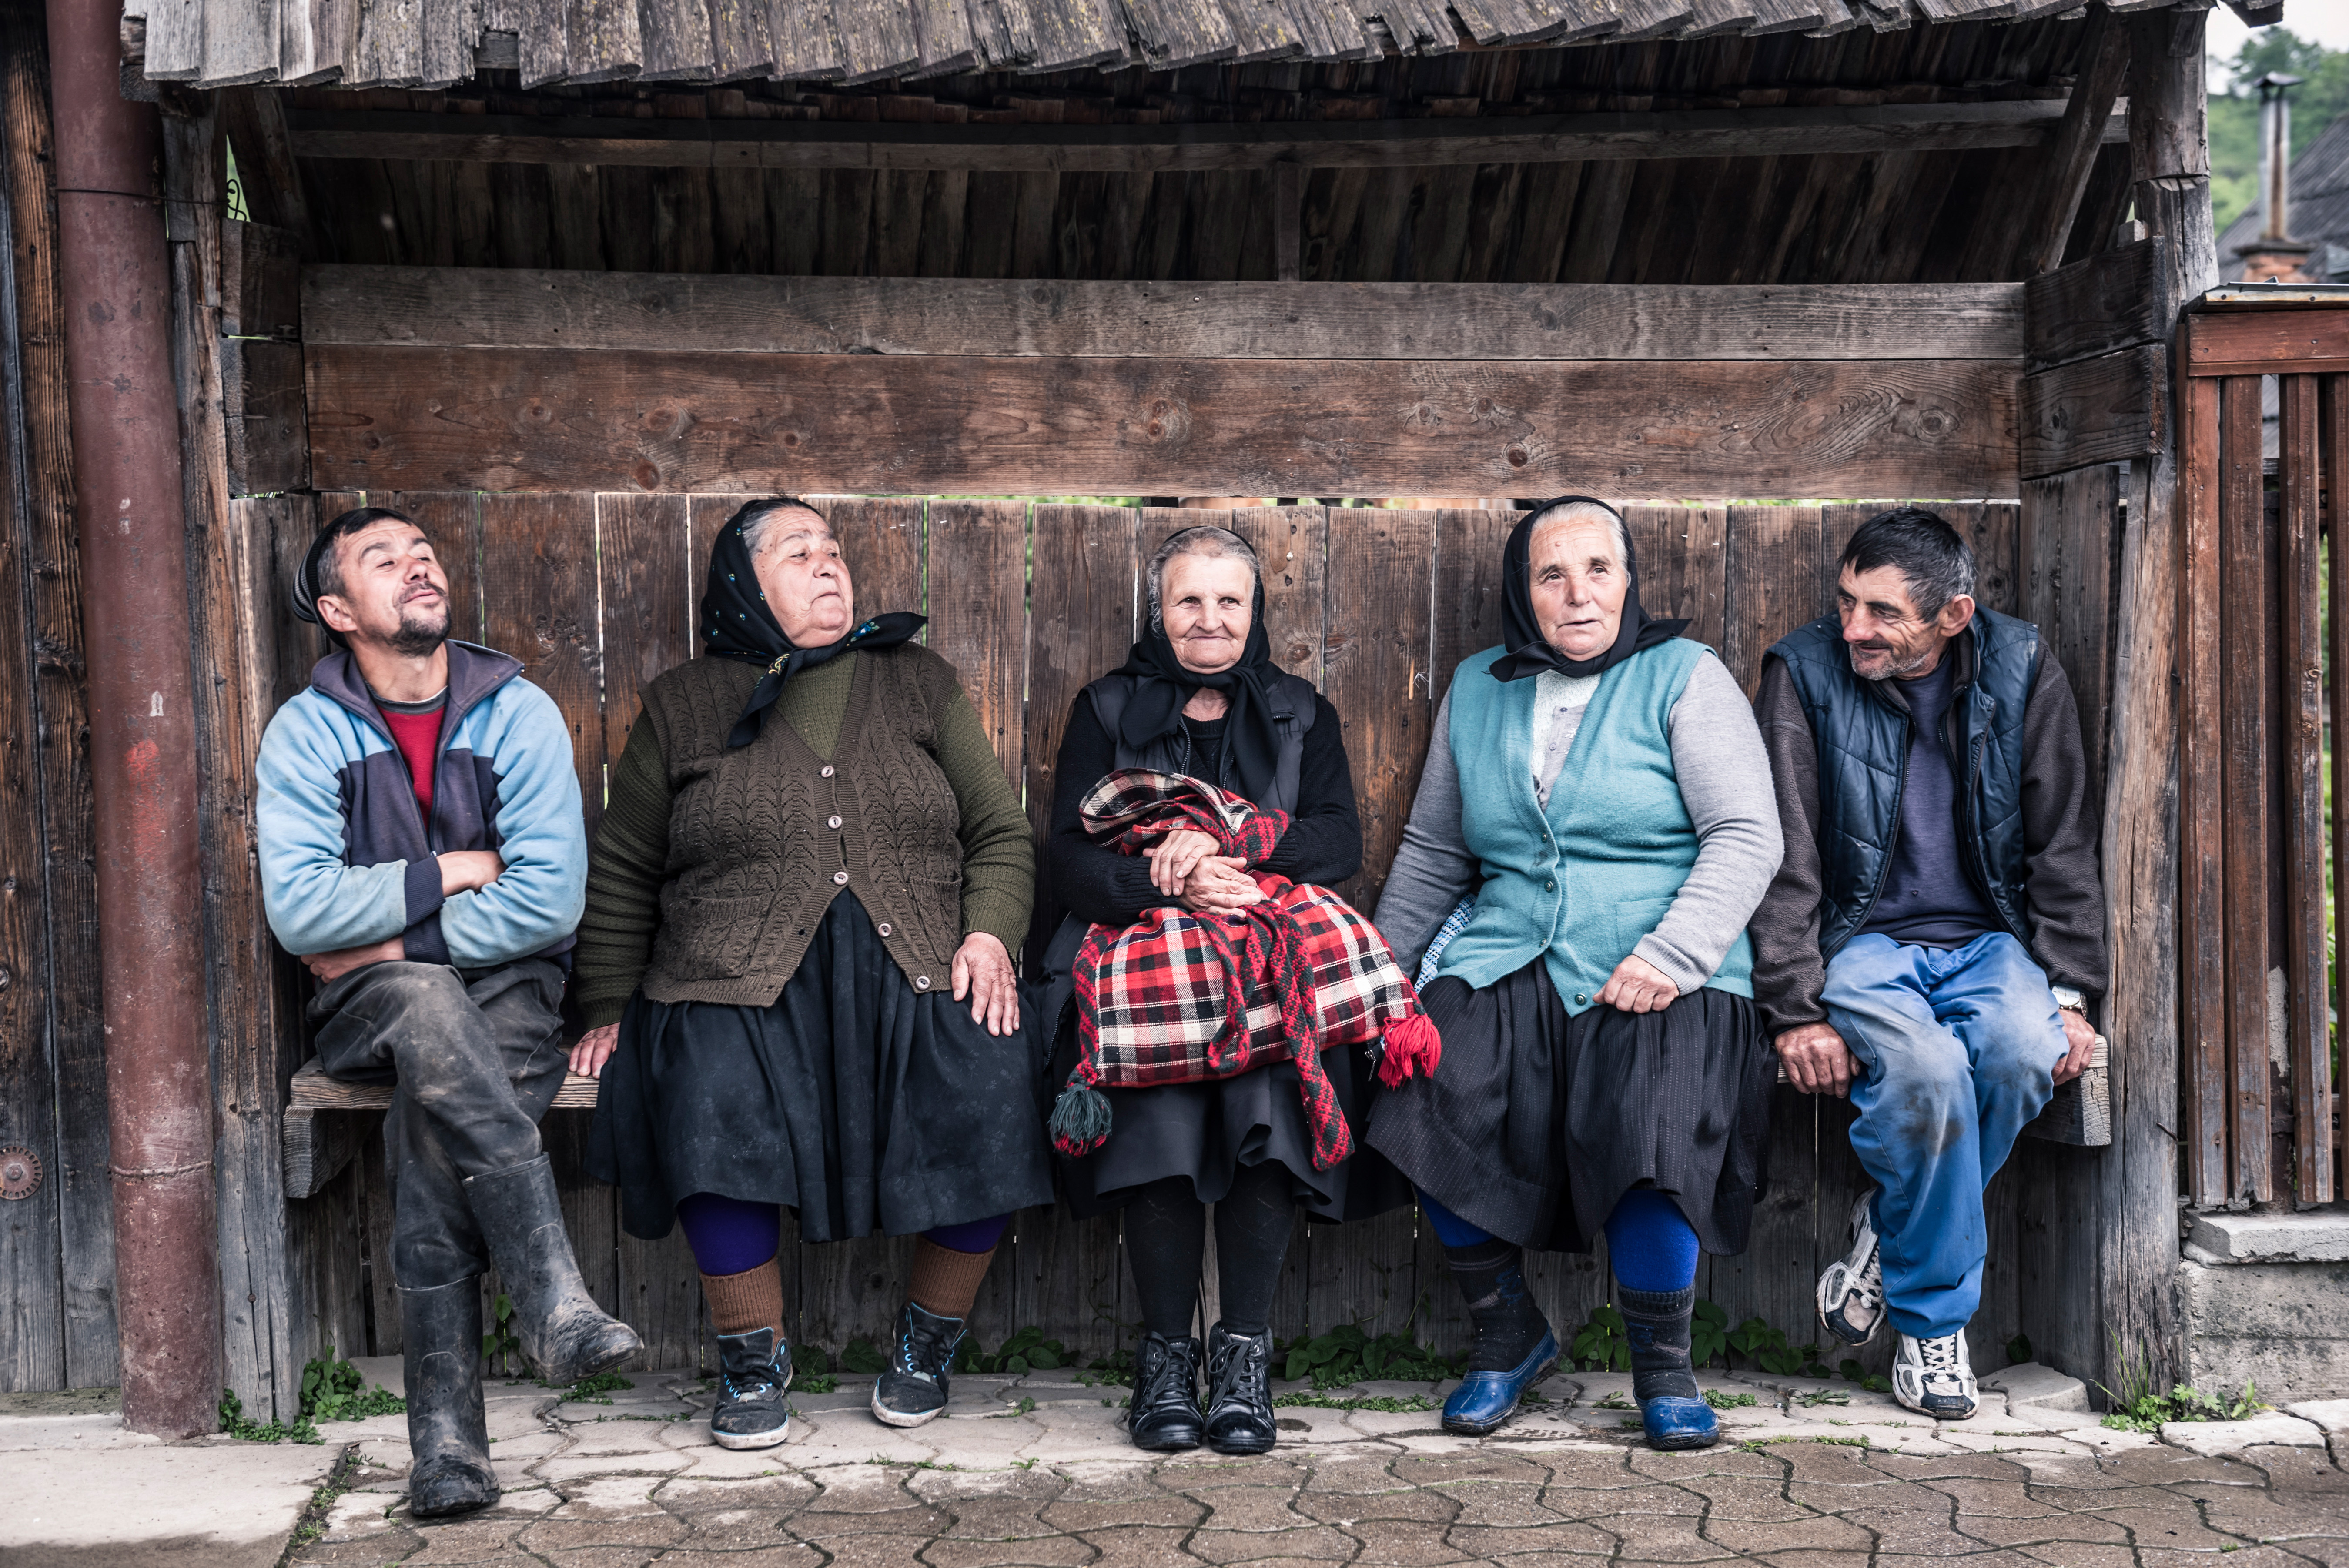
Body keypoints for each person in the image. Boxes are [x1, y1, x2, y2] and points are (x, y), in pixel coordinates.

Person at [569, 497, 1051, 1450]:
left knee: (991, 1078)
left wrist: (988, 936)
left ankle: (926, 1344)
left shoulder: (917, 682)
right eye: (800, 553)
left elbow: (998, 830)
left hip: (918, 966)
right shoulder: (685, 702)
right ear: (745, 584)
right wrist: (605, 1003)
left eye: (834, 551)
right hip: (729, 979)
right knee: (707, 1093)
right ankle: (754, 1360)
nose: (829, 565)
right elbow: (627, 865)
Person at [1369, 497, 1781, 1451]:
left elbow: (1748, 834)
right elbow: (1435, 851)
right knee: (1419, 1076)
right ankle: (1508, 1332)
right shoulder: (1480, 685)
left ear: (1628, 581)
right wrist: (1383, 980)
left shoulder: (1684, 676)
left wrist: (1672, 954)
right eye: (1552, 575)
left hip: (1669, 960)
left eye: (1598, 570)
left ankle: (1663, 1370)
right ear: (1525, 594)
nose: (1578, 593)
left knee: (1653, 1112)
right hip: (1514, 950)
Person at [257, 507, 638, 1520]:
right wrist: (457, 873)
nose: (416, 565)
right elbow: (299, 908)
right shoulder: (308, 731)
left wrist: (385, 918)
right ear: (339, 611)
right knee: (422, 999)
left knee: (436, 1120)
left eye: (422, 552)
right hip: (364, 1004)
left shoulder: (517, 712)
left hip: (514, 993)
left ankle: (450, 1454)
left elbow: (550, 899)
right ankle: (552, 1293)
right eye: (384, 559)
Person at [1038, 525, 1408, 1457]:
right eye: (1188, 602)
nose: (1209, 620)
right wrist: (1160, 881)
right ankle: (1167, 1358)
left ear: (1255, 611)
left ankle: (1242, 1354)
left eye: (1228, 602)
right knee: (1158, 1105)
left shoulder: (1297, 712)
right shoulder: (1108, 707)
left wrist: (1231, 848)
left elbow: (1337, 841)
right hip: (1138, 951)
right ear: (1158, 613)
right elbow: (1070, 857)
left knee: (1269, 1097)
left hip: (1268, 949)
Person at [1750, 508, 2105, 1421]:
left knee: (2027, 1056)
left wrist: (2066, 991)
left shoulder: (2022, 666)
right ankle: (1931, 1325)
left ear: (1953, 616)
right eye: (1847, 602)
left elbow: (2062, 842)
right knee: (1926, 1070)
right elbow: (1781, 852)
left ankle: (1895, 1228)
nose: (1854, 628)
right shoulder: (1804, 673)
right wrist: (1796, 1005)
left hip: (1991, 943)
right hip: (1859, 942)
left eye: (1881, 613)